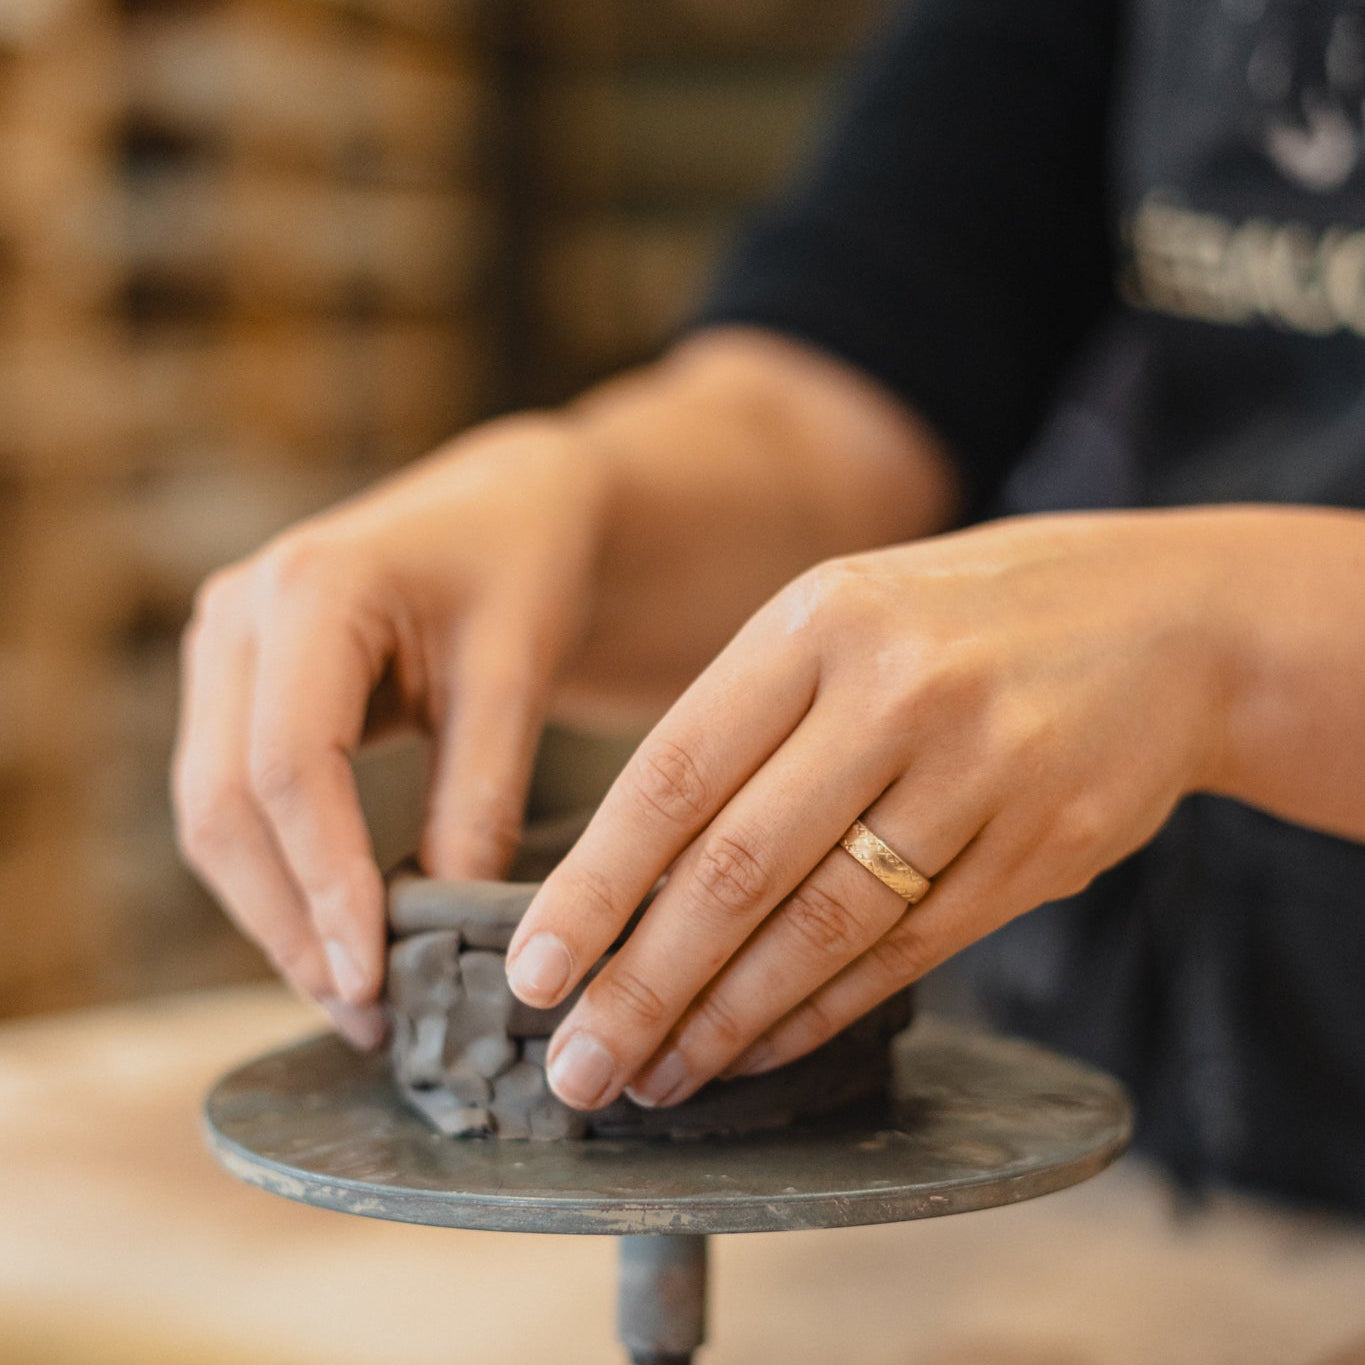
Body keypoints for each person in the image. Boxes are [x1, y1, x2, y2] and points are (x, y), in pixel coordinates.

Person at [172, 0, 1365, 1216]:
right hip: (1180, 1112)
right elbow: (843, 395)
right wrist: (579, 504)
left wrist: (1231, 642)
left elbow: (1216, 638)